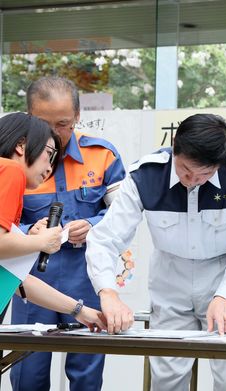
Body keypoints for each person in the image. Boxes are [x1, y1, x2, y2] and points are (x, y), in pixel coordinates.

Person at [86, 113, 226, 391]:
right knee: (167, 378)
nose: (193, 181)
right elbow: (105, 238)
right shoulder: (145, 176)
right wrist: (108, 292)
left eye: (206, 174)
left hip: (225, 279)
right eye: (185, 170)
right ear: (174, 146)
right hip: (170, 282)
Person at [10, 77, 126, 391]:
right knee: (26, 373)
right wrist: (27, 232)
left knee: (87, 374)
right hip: (31, 279)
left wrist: (94, 225)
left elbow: (124, 216)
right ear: (28, 115)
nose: (52, 134)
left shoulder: (103, 155)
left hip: (87, 277)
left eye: (62, 123)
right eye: (42, 123)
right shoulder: (14, 162)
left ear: (77, 115)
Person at [0, 112, 106, 330]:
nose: (50, 167)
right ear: (21, 145)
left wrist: (80, 310)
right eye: (49, 154)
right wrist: (43, 242)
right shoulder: (10, 170)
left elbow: (17, 280)